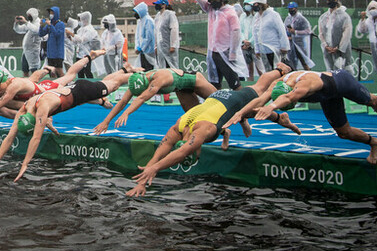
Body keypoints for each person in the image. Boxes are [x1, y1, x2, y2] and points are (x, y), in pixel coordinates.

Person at [125, 80, 294, 197]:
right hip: (214, 105)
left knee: (260, 88)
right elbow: (157, 155)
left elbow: (182, 151)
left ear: (192, 149)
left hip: (230, 101)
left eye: (195, 153)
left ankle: (280, 73)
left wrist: (155, 169)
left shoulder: (199, 134)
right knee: (242, 115)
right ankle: (232, 128)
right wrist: (142, 181)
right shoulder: (178, 129)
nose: (198, 151)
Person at [0, 69, 134, 182]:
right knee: (108, 83)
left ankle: (133, 74)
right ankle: (120, 77)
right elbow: (9, 137)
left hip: (82, 91)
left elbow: (36, 138)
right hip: (69, 93)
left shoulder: (42, 110)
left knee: (114, 85)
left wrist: (25, 164)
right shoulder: (24, 108)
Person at [256, 67, 377, 165]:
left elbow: (288, 98)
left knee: (372, 101)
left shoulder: (304, 85)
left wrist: (271, 107)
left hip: (341, 82)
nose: (293, 105)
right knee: (344, 133)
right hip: (327, 96)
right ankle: (374, 143)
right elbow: (260, 99)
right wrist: (241, 113)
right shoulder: (277, 84)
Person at [185, 0, 246, 89]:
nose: (213, 2)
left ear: (223, 0)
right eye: (212, 0)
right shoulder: (211, 10)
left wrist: (233, 52)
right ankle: (215, 103)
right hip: (213, 53)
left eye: (216, 0)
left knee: (233, 81)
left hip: (226, 53)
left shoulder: (230, 13)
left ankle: (242, 103)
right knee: (214, 82)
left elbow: (236, 33)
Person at [250, 0, 289, 72]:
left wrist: (284, 47)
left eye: (255, 4)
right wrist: (257, 49)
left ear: (261, 4)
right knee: (267, 71)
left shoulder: (273, 15)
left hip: (273, 48)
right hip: (263, 49)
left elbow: (281, 31)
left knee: (277, 70)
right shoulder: (256, 17)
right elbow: (255, 33)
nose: (254, 6)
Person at [318, 0, 353, 71]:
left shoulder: (344, 16)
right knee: (330, 69)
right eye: (329, 0)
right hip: (328, 49)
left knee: (344, 69)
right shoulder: (323, 17)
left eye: (333, 0)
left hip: (341, 50)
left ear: (337, 1)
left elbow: (347, 33)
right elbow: (321, 33)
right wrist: (325, 45)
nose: (330, 2)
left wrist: (339, 47)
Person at [13, 8, 43, 77]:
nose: (28, 16)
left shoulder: (38, 23)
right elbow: (19, 30)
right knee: (25, 70)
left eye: (29, 15)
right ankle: (26, 84)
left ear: (34, 15)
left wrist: (26, 22)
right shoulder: (30, 23)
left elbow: (36, 30)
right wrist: (16, 23)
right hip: (26, 51)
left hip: (33, 51)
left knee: (34, 70)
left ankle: (35, 85)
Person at [37, 6, 66, 77]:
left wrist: (50, 26)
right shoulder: (50, 24)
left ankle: (66, 83)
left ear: (56, 14)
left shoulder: (61, 24)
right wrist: (41, 26)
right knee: (51, 71)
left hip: (58, 53)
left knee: (59, 70)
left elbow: (57, 34)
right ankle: (54, 85)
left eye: (52, 13)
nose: (51, 15)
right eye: (50, 13)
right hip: (50, 53)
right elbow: (41, 34)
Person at [283, 2, 313, 70]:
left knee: (304, 61)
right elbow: (284, 29)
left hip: (300, 44)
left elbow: (308, 31)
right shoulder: (288, 18)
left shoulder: (301, 19)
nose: (290, 10)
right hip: (291, 44)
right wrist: (288, 36)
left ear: (296, 9)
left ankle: (309, 75)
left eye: (292, 8)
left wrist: (296, 32)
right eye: (289, 9)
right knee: (292, 62)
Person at [238, 0, 263, 78]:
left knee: (260, 68)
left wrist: (250, 42)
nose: (246, 6)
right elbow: (240, 30)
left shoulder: (257, 16)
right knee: (249, 70)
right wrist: (244, 41)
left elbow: (257, 31)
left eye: (248, 4)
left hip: (255, 46)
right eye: (245, 4)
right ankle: (250, 85)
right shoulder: (242, 16)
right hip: (245, 46)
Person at [72, 12, 102, 77]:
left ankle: (91, 85)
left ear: (85, 20)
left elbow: (82, 40)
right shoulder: (80, 30)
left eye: (80, 20)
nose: (79, 21)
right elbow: (76, 41)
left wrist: (72, 34)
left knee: (87, 71)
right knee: (79, 72)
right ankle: (81, 85)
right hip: (79, 54)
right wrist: (70, 38)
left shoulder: (90, 30)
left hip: (87, 54)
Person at [152, 0, 179, 69]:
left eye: (158, 4)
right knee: (162, 67)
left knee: (172, 67)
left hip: (168, 47)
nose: (156, 6)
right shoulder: (157, 16)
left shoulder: (170, 14)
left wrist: (173, 45)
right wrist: (155, 46)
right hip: (160, 47)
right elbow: (156, 32)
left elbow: (174, 29)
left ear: (164, 5)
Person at [133, 2, 156, 71]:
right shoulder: (140, 21)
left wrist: (141, 48)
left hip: (149, 50)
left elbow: (148, 37)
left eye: (137, 12)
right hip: (142, 51)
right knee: (143, 69)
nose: (135, 14)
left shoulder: (148, 21)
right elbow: (138, 36)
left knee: (149, 69)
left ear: (141, 11)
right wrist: (137, 47)